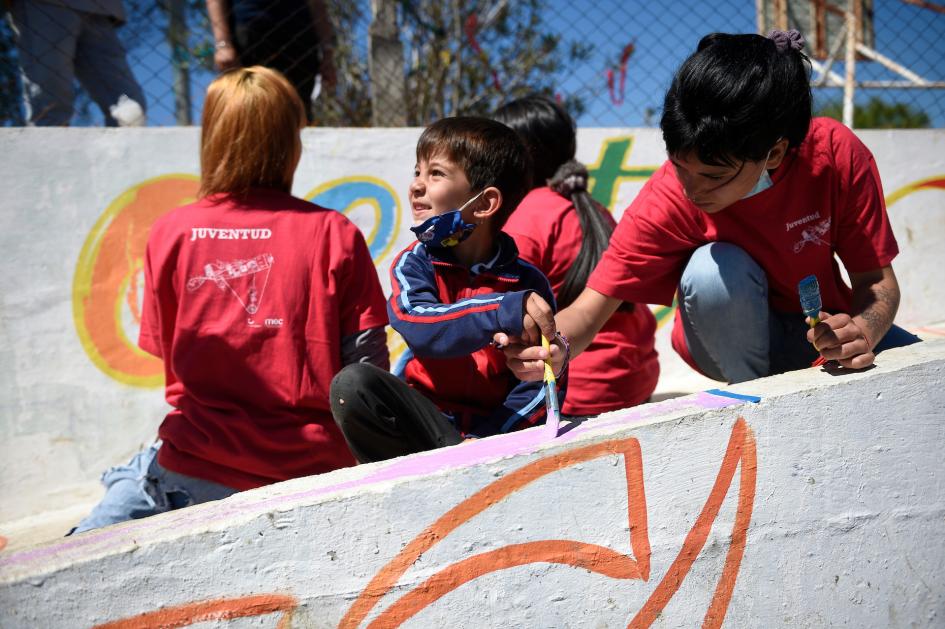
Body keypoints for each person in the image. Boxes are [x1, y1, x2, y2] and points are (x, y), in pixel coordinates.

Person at [498, 31, 920, 386]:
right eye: (681, 167)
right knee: (712, 269)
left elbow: (878, 283)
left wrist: (862, 331)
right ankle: (757, 399)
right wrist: (554, 349)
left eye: (714, 176)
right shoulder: (668, 196)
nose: (693, 189)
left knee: (924, 378)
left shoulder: (834, 154)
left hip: (824, 332)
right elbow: (590, 309)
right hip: (728, 346)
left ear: (773, 153)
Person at [71, 66, 388, 534]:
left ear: (213, 138)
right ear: (289, 142)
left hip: (195, 466)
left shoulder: (172, 231)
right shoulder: (334, 232)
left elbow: (168, 350)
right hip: (311, 470)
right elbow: (365, 372)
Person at [329, 116, 559, 464]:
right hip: (426, 427)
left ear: (483, 204)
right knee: (353, 386)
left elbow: (537, 384)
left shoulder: (528, 284)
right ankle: (400, 484)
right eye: (417, 172)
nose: (417, 186)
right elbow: (420, 325)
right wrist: (498, 310)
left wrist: (488, 442)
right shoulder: (414, 263)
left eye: (435, 174)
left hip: (494, 439)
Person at [493, 95, 658, 415]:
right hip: (637, 382)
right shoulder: (596, 210)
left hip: (577, 394)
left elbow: (502, 316)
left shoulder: (525, 217)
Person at [8, 0, 147, 126]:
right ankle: (49, 151)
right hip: (44, 5)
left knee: (131, 110)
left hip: (100, 8)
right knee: (51, 105)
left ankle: (120, 152)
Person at [206, 0, 336, 122]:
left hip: (299, 40)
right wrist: (223, 43)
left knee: (296, 115)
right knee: (248, 114)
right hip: (249, 35)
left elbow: (317, 4)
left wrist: (327, 52)